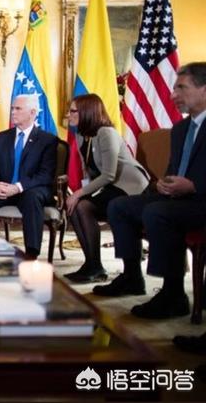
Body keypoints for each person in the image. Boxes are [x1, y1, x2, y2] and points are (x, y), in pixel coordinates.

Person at [93, 62, 206, 319]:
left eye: (181, 88)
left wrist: (194, 186)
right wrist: (164, 183)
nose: (173, 95)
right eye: (174, 88)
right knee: (119, 206)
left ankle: (173, 294)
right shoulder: (181, 129)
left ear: (204, 90)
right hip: (178, 198)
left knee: (157, 212)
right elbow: (173, 169)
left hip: (201, 201)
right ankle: (132, 277)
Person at [63, 94, 149, 283]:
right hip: (110, 186)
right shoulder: (80, 135)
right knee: (75, 207)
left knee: (82, 205)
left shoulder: (106, 133)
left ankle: (97, 267)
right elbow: (89, 171)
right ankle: (92, 264)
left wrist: (79, 194)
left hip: (129, 186)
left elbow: (109, 174)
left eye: (73, 111)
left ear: (87, 112)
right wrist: (80, 194)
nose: (69, 115)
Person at [0, 94, 58, 259]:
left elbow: (45, 175)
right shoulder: (1, 138)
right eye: (12, 108)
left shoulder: (47, 140)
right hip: (3, 190)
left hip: (29, 190)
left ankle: (31, 254)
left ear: (32, 113)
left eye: (18, 109)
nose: (13, 112)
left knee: (33, 197)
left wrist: (17, 187)